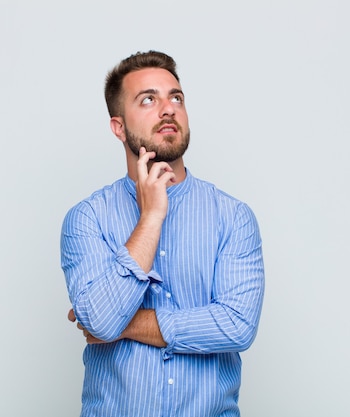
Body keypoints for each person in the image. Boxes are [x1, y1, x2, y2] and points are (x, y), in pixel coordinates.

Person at [60, 50, 265, 417]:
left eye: (176, 98)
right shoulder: (86, 219)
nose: (168, 108)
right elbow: (101, 322)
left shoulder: (233, 217)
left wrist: (125, 325)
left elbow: (236, 326)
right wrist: (151, 217)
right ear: (118, 127)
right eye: (148, 99)